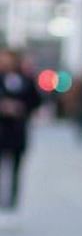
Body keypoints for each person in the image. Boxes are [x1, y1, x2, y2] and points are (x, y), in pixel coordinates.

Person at [0, 49, 41, 221]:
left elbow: (35, 100)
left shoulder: (25, 80)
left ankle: (13, 200)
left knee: (16, 167)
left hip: (17, 131)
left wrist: (21, 107)